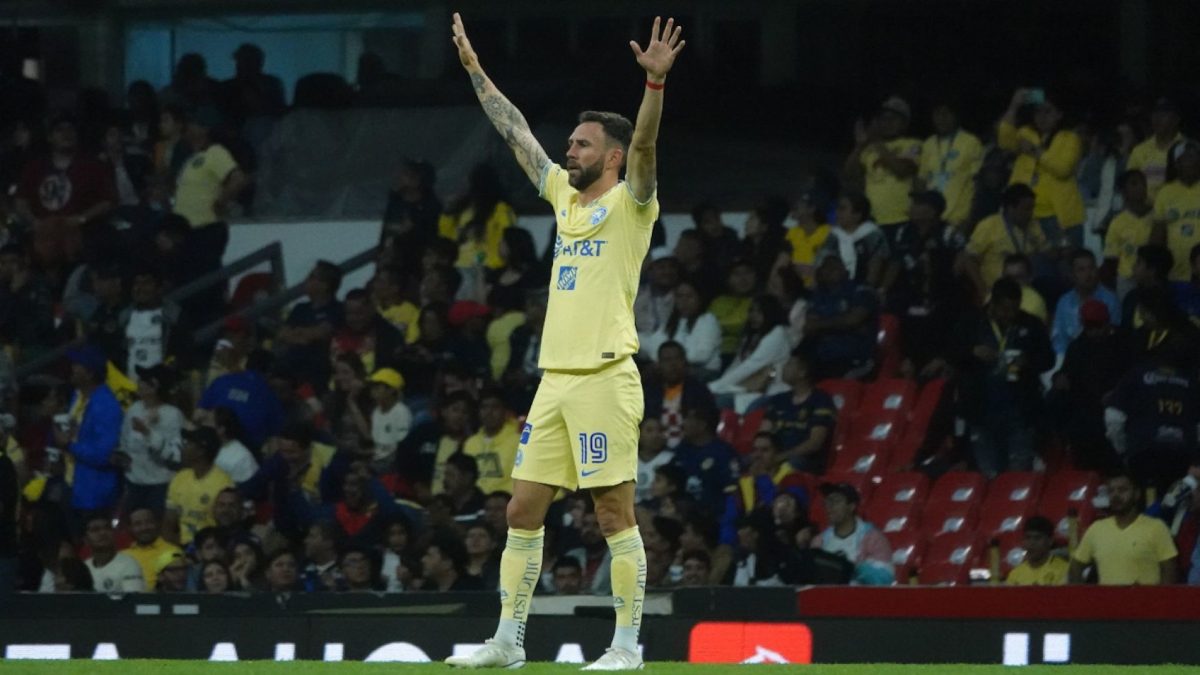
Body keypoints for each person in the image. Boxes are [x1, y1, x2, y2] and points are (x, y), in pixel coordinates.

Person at [446, 13, 683, 670]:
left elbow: (645, 150)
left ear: (609, 155)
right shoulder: (562, 197)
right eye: (570, 144)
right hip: (554, 379)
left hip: (607, 376)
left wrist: (654, 88)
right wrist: (474, 69)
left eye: (580, 145)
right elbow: (514, 129)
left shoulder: (633, 202)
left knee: (613, 512)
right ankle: (507, 641)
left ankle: (627, 647)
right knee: (521, 508)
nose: (567, 151)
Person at [955, 278, 1054, 477]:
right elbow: (951, 352)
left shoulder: (1030, 323)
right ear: (993, 304)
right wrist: (972, 351)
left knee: (1018, 476)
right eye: (1005, 309)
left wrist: (1029, 361)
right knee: (988, 475)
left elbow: (1048, 359)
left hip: (1019, 410)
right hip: (981, 410)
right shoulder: (971, 322)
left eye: (1015, 309)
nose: (1010, 315)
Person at [14, 114, 116, 266]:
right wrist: (35, 222)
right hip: (43, 235)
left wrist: (81, 219)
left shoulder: (93, 166)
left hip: (83, 234)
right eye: (60, 130)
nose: (66, 134)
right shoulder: (35, 167)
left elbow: (108, 201)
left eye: (70, 130)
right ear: (49, 137)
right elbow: (20, 201)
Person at [997, 89, 1085, 250]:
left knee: (1066, 268)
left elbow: (1063, 169)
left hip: (1060, 217)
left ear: (1059, 114)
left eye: (1048, 111)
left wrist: (1035, 151)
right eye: (1038, 111)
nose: (1042, 116)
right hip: (1027, 216)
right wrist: (1014, 106)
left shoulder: (1070, 138)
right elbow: (1004, 140)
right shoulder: (1025, 133)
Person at [1070, 472, 1178, 585]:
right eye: (1111, 491)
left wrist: (1161, 600)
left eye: (1122, 490)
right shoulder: (1096, 529)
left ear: (1136, 494)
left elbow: (1170, 571)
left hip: (1145, 602)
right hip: (1107, 602)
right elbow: (1076, 567)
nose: (1116, 495)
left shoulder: (1156, 527)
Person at [57, 346, 124, 522]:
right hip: (72, 482)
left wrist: (69, 445)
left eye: (77, 365)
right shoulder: (78, 396)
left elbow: (104, 455)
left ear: (90, 373)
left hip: (93, 492)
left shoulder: (106, 406)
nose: (72, 367)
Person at [844, 96, 921, 232]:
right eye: (883, 119)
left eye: (893, 119)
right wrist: (859, 146)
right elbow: (850, 174)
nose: (887, 123)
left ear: (904, 123)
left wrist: (876, 142)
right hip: (871, 220)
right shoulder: (869, 149)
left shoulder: (913, 144)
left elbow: (902, 171)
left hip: (900, 219)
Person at [119, 364, 184, 514]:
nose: (138, 383)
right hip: (133, 483)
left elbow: (176, 456)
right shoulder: (134, 409)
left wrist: (148, 433)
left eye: (142, 380)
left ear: (154, 386)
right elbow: (124, 440)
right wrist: (120, 455)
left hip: (159, 486)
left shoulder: (172, 415)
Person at [965, 183, 1049, 300]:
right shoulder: (989, 225)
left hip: (1027, 291)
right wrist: (982, 290)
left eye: (1032, 208)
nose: (1030, 213)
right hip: (996, 293)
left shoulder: (1033, 224)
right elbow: (969, 260)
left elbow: (1046, 252)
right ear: (1010, 208)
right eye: (1026, 209)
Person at [802, 255, 880, 380]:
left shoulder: (861, 290)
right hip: (823, 359)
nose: (831, 270)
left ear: (846, 271)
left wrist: (822, 325)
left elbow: (853, 320)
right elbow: (809, 327)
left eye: (835, 266)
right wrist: (840, 323)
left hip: (855, 359)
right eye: (827, 267)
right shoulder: (819, 294)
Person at [759, 351, 836, 473]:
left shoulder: (821, 400)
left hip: (804, 459)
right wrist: (763, 456)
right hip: (774, 456)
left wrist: (781, 457)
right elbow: (763, 433)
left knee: (790, 466)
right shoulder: (778, 399)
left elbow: (815, 443)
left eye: (790, 364)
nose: (784, 367)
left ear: (802, 372)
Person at [276, 261, 345, 391]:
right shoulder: (300, 308)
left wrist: (297, 334)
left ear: (325, 285)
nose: (306, 280)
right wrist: (304, 336)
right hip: (291, 370)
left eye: (312, 277)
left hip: (318, 373)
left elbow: (322, 333)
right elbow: (282, 334)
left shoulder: (337, 309)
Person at [708, 295, 792, 399]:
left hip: (769, 387)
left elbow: (751, 365)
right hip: (744, 385)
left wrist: (715, 386)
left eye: (759, 312)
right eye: (751, 311)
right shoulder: (752, 334)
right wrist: (718, 384)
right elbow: (737, 364)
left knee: (719, 401)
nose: (753, 315)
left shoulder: (777, 333)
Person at [919, 98, 983, 230]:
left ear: (955, 116)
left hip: (959, 219)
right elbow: (922, 181)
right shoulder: (928, 144)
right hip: (931, 221)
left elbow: (978, 183)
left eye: (946, 114)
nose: (941, 118)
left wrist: (971, 218)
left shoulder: (971, 142)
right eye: (937, 114)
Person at [812, 483, 894, 585]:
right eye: (828, 501)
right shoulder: (819, 542)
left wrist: (853, 567)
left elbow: (885, 578)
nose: (830, 506)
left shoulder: (873, 539)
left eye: (836, 501)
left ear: (851, 506)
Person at [440, 163, 517, 271]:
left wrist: (496, 265)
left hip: (486, 267)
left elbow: (509, 239)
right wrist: (448, 212)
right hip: (456, 265)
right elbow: (445, 236)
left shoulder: (501, 210)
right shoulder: (462, 207)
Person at [164, 427, 234, 546]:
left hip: (209, 548)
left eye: (188, 444)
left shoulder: (223, 484)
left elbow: (226, 528)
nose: (183, 448)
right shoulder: (180, 477)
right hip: (178, 545)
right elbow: (169, 520)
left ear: (200, 451)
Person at [642, 341, 717, 449]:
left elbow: (709, 424)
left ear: (684, 362)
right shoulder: (649, 390)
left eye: (677, 359)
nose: (673, 364)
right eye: (667, 360)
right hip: (655, 449)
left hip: (690, 450)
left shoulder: (699, 390)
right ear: (658, 364)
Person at [639, 278, 722, 375]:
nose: (684, 301)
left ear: (699, 298)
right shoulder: (672, 321)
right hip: (672, 369)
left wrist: (666, 360)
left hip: (702, 371)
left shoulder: (708, 319)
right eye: (680, 296)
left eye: (689, 296)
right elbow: (653, 345)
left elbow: (701, 355)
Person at [1050, 250, 1120, 356]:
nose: (1088, 274)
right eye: (1081, 270)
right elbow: (1060, 342)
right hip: (1070, 360)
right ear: (1072, 275)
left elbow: (1115, 338)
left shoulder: (1110, 300)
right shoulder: (1064, 302)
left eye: (1091, 268)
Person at [670, 406, 738, 512]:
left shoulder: (723, 452)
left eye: (688, 419)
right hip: (681, 513)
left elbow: (731, 488)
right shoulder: (682, 449)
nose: (683, 424)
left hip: (713, 514)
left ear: (702, 425)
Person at [817, 192, 890, 289]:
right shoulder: (834, 235)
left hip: (864, 289)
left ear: (857, 214)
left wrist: (866, 289)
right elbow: (823, 260)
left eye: (842, 209)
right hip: (836, 288)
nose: (837, 213)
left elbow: (876, 264)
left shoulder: (873, 235)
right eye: (837, 208)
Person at [380, 160, 442, 273]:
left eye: (407, 174)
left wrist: (412, 230)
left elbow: (432, 237)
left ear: (418, 180)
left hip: (415, 266)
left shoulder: (432, 207)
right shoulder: (395, 203)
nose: (400, 177)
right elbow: (385, 231)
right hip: (389, 263)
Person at [1104, 170, 1155, 302]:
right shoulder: (1117, 223)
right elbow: (1111, 259)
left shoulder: (1157, 217)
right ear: (1124, 191)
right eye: (1134, 184)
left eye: (1143, 183)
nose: (1141, 188)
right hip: (1127, 280)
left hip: (1153, 278)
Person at [1154, 140, 1200, 282]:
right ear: (1176, 163)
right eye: (1188, 157)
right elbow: (1158, 234)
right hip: (1175, 275)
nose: (1194, 161)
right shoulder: (1165, 192)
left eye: (1196, 157)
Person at [464, 388, 521, 495]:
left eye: (495, 407)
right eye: (484, 407)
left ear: (505, 411)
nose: (489, 412)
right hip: (476, 503)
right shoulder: (470, 443)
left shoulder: (519, 441)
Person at [1128, 97, 1185, 201]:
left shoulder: (1188, 150)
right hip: (1146, 211)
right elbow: (1130, 186)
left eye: (1164, 114)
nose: (1157, 118)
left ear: (1176, 119)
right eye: (1155, 114)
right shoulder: (1139, 151)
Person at [709, 259, 758, 363]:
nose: (743, 279)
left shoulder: (759, 302)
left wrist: (722, 326)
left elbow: (742, 325)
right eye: (736, 274)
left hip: (742, 356)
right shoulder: (718, 301)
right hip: (712, 354)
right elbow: (707, 326)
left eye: (747, 272)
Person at [82, 515, 146, 592]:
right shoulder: (84, 567)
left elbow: (133, 601)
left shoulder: (128, 564)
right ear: (86, 540)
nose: (103, 533)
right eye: (95, 530)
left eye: (107, 528)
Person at [365, 367, 412, 473]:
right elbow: (377, 444)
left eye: (377, 387)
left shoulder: (401, 412)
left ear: (391, 390)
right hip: (376, 460)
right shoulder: (376, 411)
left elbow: (401, 447)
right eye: (372, 387)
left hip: (392, 464)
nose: (373, 391)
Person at [122, 507, 182, 590]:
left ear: (157, 524)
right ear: (130, 528)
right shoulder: (123, 556)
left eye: (149, 522)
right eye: (137, 524)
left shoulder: (173, 552)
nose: (144, 528)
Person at [1005, 516, 1068, 586]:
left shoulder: (1064, 570)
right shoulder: (1015, 574)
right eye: (1028, 538)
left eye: (1037, 538)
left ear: (1050, 541)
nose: (1032, 543)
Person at [786, 191, 831, 287]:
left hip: (817, 286)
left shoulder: (828, 233)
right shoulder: (792, 232)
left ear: (811, 209)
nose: (794, 207)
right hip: (792, 286)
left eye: (800, 204)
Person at [1001, 254, 1049, 325]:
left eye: (1018, 277)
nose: (1013, 282)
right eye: (1008, 278)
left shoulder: (1034, 304)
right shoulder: (991, 296)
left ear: (1030, 277)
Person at [634, 418, 673, 505]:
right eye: (649, 430)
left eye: (660, 430)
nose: (656, 435)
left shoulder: (670, 459)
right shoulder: (626, 460)